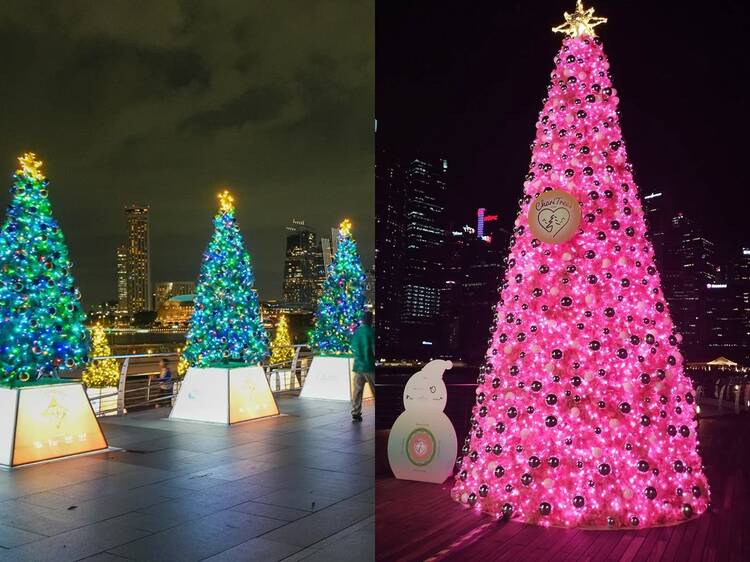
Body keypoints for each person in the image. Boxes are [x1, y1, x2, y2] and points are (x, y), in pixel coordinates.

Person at [351, 310, 375, 422]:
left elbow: (353, 347)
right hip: (369, 366)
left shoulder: (357, 332)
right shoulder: (371, 332)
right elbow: (374, 349)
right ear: (370, 320)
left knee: (357, 391)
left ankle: (356, 412)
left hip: (358, 366)